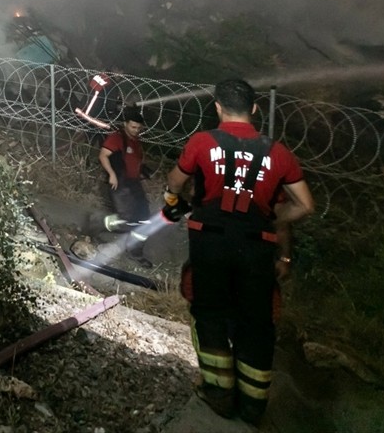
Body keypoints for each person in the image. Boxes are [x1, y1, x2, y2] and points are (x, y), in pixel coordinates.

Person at [165, 78, 314, 427]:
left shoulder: (203, 142)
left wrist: (175, 201)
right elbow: (305, 205)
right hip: (256, 246)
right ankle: (252, 407)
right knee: (256, 322)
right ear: (255, 109)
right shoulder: (277, 153)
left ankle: (219, 395)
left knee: (210, 312)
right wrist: (273, 218)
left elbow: (175, 183)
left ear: (217, 107)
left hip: (210, 241)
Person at [98, 107, 153, 268]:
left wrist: (141, 169)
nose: (136, 131)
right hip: (121, 184)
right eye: (133, 127)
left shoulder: (135, 140)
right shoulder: (117, 138)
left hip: (133, 183)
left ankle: (135, 251)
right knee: (129, 220)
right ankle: (98, 224)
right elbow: (103, 155)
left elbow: (132, 159)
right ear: (125, 124)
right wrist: (111, 174)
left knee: (144, 218)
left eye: (138, 128)